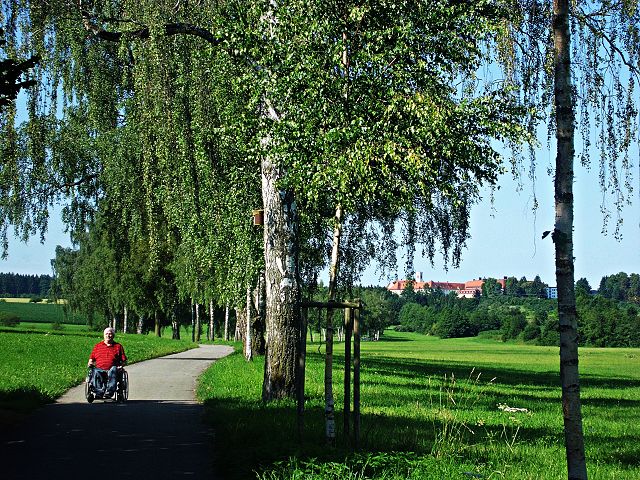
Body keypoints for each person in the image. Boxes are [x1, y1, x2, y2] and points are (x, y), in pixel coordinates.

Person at [87, 327, 127, 398]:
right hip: (99, 369)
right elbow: (91, 359)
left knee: (113, 369)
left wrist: (121, 366)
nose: (108, 335)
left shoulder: (118, 346)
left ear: (113, 335)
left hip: (113, 369)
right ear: (104, 335)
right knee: (95, 371)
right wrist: (90, 363)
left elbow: (124, 361)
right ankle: (99, 392)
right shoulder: (97, 346)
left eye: (110, 334)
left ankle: (109, 392)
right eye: (106, 334)